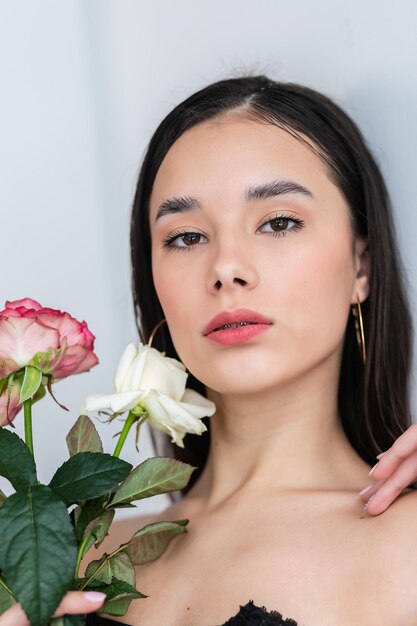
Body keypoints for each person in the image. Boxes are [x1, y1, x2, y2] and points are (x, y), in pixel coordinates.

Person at [3, 75, 417, 625]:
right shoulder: (75, 555)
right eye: (187, 237)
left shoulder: (406, 544)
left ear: (361, 267)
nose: (225, 269)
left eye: (279, 222)